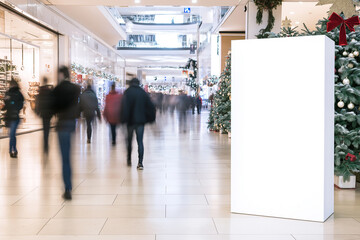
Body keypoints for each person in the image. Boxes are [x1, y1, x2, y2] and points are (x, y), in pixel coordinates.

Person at [52, 66, 81, 200]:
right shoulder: (75, 89)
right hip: (71, 123)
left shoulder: (58, 90)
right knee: (68, 157)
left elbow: (53, 107)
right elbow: (77, 107)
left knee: (64, 158)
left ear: (61, 75)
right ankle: (69, 186)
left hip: (62, 124)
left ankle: (67, 188)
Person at [121, 78, 156, 170]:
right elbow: (151, 106)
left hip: (130, 121)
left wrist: (123, 119)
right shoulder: (143, 93)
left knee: (129, 141)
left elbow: (123, 106)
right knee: (140, 141)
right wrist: (149, 118)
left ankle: (129, 160)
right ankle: (140, 163)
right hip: (140, 121)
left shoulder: (127, 92)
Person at [1, 79, 24, 158]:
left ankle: (12, 150)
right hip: (9, 116)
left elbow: (20, 104)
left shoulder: (18, 94)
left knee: (12, 134)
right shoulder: (8, 93)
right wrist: (3, 108)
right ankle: (14, 150)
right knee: (11, 135)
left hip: (14, 116)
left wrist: (13, 106)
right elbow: (7, 104)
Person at [35, 77, 53, 153]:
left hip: (43, 112)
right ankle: (46, 143)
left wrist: (37, 111)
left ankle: (45, 143)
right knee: (47, 128)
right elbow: (53, 102)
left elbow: (37, 102)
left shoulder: (40, 91)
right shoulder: (50, 91)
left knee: (44, 128)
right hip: (48, 113)